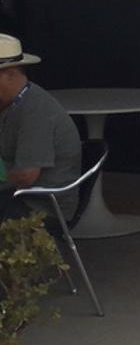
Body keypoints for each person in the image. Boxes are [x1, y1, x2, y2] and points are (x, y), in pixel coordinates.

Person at [0, 34, 80, 223]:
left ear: (10, 75)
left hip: (41, 207)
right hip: (18, 197)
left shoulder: (35, 109)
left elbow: (26, 176)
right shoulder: (12, 103)